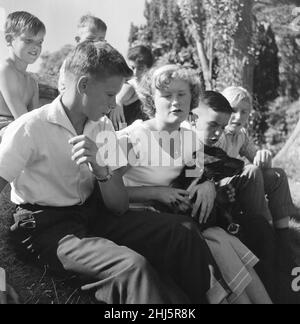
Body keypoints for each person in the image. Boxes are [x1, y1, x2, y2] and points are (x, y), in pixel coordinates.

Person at [0, 41, 229, 304]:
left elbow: (118, 206)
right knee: (132, 267)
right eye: (110, 95)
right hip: (45, 228)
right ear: (83, 85)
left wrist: (102, 171)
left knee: (183, 232)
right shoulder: (30, 128)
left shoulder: (103, 126)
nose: (113, 104)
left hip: (92, 214)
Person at [118, 65, 272, 304]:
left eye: (182, 95)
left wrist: (208, 184)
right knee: (215, 243)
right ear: (151, 98)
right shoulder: (132, 137)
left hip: (173, 215)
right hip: (138, 220)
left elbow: (199, 173)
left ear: (192, 100)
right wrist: (156, 192)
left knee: (221, 238)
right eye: (166, 95)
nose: (175, 102)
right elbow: (103, 193)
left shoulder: (188, 138)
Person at [219, 86, 297, 267]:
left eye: (244, 112)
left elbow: (258, 159)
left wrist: (264, 156)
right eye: (233, 110)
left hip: (238, 179)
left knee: (277, 175)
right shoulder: (217, 132)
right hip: (222, 185)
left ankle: (283, 237)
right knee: (252, 172)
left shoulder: (241, 135)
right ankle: (264, 235)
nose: (238, 117)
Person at [0, 11, 46, 137]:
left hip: (19, 129)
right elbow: (22, 120)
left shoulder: (32, 82)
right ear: (9, 39)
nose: (36, 47)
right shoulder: (5, 70)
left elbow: (34, 118)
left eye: (39, 42)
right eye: (28, 40)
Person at [58, 14, 107, 94]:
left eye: (101, 40)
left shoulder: (102, 61)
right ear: (78, 40)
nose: (96, 43)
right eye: (90, 39)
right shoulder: (72, 60)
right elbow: (64, 86)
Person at [110, 45, 154, 130]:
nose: (135, 73)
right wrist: (118, 101)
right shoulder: (127, 85)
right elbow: (128, 88)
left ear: (149, 69)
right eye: (132, 67)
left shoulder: (154, 90)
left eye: (140, 68)